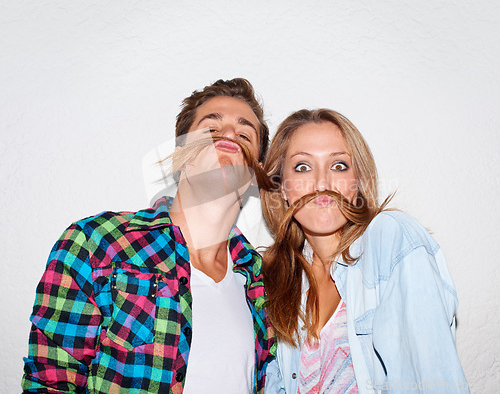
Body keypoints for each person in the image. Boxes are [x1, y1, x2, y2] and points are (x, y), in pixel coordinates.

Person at [22, 78, 276, 394]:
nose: (228, 137)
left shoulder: (264, 281)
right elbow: (51, 383)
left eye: (243, 134)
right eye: (211, 130)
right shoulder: (96, 243)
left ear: (256, 172)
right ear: (181, 153)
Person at [261, 109, 469, 393]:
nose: (322, 183)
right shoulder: (277, 281)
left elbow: (433, 378)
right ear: (282, 187)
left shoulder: (391, 239)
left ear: (357, 182)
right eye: (302, 167)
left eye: (339, 166)